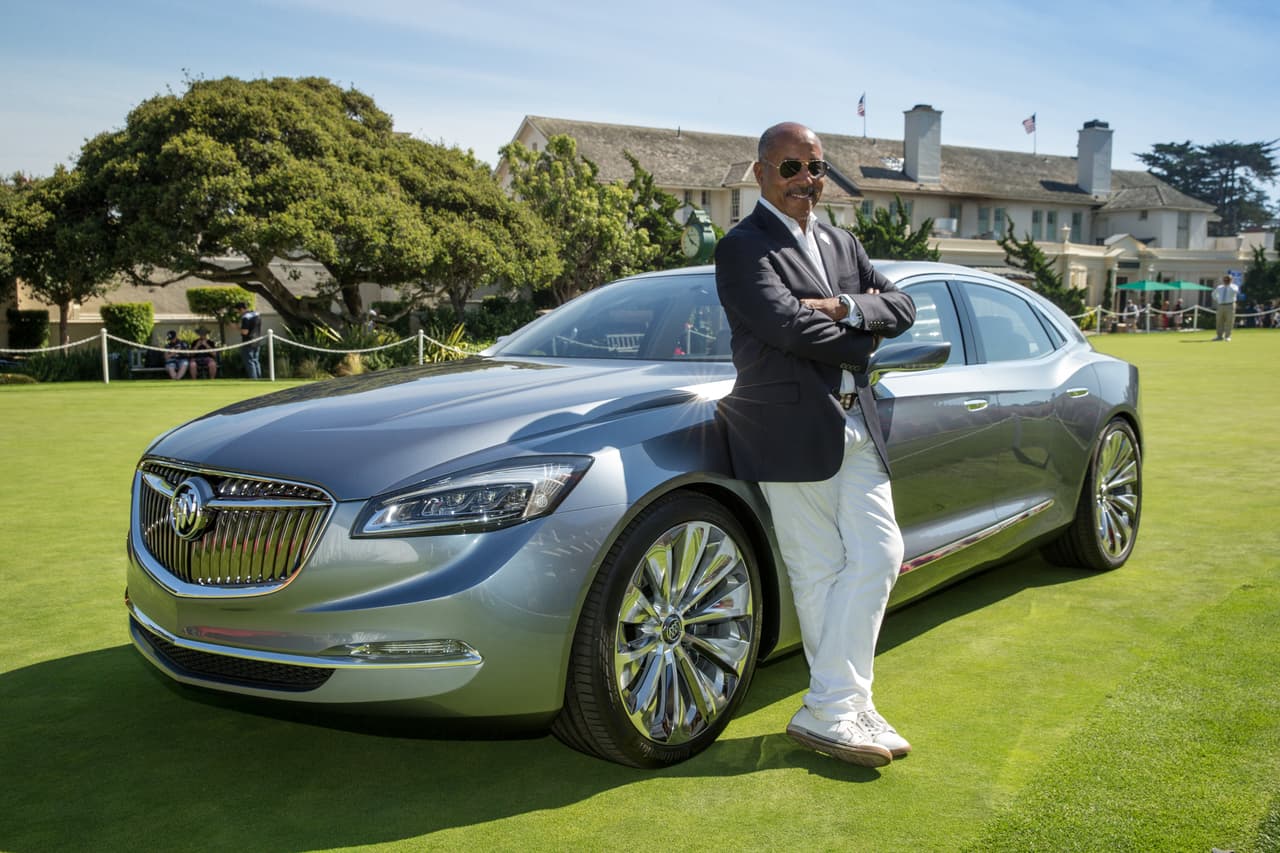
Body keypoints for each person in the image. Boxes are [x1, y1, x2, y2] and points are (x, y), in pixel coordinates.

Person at [715, 121, 917, 768]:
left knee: (882, 553)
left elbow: (903, 306)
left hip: (859, 424)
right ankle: (841, 708)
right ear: (760, 174)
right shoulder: (743, 248)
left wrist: (842, 309)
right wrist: (860, 324)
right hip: (786, 429)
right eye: (790, 168)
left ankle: (834, 703)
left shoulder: (841, 240)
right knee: (818, 569)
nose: (806, 180)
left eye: (815, 168)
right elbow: (786, 328)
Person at [237, 301, 262, 378]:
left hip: (248, 342)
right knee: (255, 360)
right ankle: (259, 377)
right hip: (257, 341)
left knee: (249, 361)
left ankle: (254, 378)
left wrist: (236, 327)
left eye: (238, 311)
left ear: (241, 309)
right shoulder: (256, 315)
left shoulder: (246, 317)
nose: (238, 313)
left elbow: (245, 332)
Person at [1212, 274, 1239, 341]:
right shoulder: (1219, 287)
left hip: (1230, 305)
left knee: (1229, 321)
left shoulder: (1234, 286)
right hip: (1220, 305)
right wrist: (1218, 299)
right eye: (1225, 279)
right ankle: (1219, 336)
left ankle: (1228, 336)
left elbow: (1235, 292)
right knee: (1219, 321)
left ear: (1231, 280)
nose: (1226, 281)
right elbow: (1213, 294)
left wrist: (1228, 286)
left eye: (1228, 279)